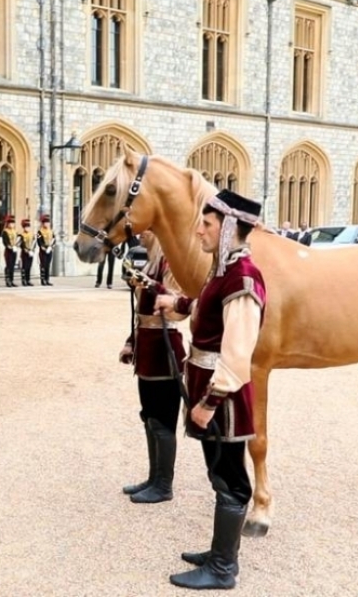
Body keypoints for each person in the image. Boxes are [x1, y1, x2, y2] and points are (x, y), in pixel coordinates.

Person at [153, 189, 267, 591]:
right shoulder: (222, 272)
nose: (198, 230)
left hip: (224, 400)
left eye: (207, 224)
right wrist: (179, 304)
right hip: (209, 392)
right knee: (219, 473)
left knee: (231, 478)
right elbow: (205, 306)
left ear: (230, 227)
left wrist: (209, 402)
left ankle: (222, 569)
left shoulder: (244, 278)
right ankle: (220, 553)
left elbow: (238, 352)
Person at [118, 230, 186, 504]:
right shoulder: (150, 263)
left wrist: (149, 284)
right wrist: (131, 342)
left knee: (163, 420)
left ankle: (164, 484)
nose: (140, 234)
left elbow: (176, 306)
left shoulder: (171, 265)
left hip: (164, 349)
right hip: (148, 347)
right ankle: (154, 477)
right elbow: (142, 315)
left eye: (147, 230)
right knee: (149, 417)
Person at [1, 215, 20, 288]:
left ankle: (12, 280)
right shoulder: (5, 232)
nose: (11, 225)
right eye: (10, 223)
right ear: (7, 224)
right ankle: (7, 280)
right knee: (9, 265)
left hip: (14, 250)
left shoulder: (15, 231)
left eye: (13, 223)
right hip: (8, 251)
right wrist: (9, 246)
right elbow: (5, 241)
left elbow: (18, 240)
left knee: (13, 266)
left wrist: (16, 245)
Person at [36, 215, 55, 286]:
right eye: (45, 223)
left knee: (48, 265)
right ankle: (42, 280)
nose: (46, 224)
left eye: (48, 223)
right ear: (43, 224)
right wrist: (42, 247)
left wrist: (51, 247)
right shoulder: (39, 232)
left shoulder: (51, 231)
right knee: (43, 265)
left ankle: (47, 280)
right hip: (43, 250)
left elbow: (54, 239)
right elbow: (39, 240)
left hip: (49, 250)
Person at [18, 219, 36, 287]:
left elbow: (34, 243)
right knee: (24, 267)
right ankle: (24, 280)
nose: (27, 228)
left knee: (29, 267)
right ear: (23, 227)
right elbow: (20, 244)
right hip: (24, 253)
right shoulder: (21, 235)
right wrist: (25, 249)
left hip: (31, 252)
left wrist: (32, 250)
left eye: (28, 227)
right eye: (25, 227)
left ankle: (28, 280)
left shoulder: (32, 235)